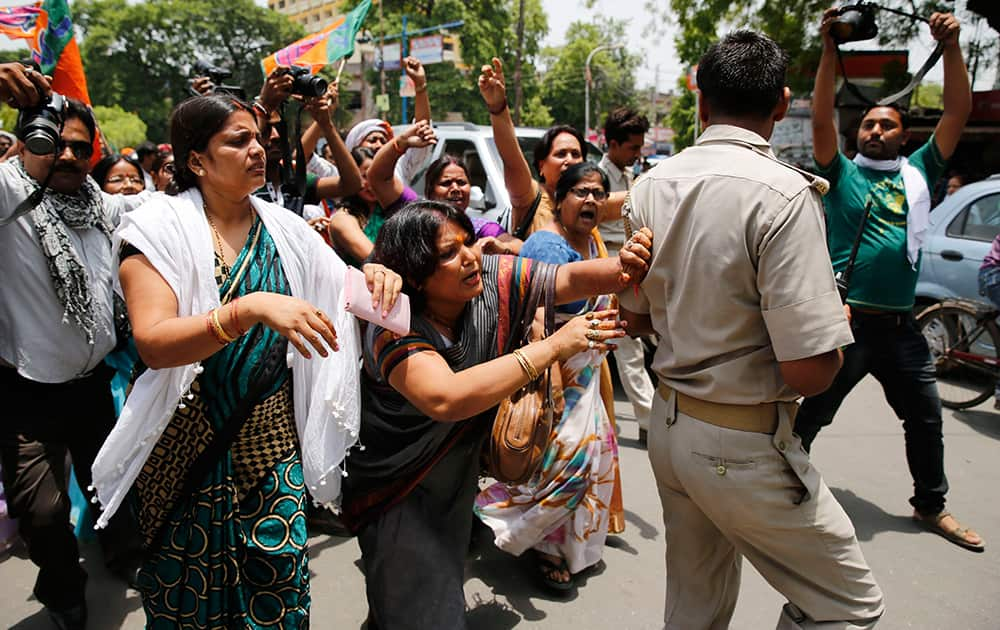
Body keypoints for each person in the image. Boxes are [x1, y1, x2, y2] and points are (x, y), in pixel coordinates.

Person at [89, 93, 402, 628]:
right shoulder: (155, 229)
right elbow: (155, 343)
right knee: (189, 600)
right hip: (184, 448)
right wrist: (247, 310)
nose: (258, 150)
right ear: (196, 160)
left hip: (271, 448)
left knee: (279, 590)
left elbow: (346, 294)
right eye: (239, 140)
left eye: (258, 138)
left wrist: (379, 276)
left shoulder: (286, 228)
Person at [618, 31, 885, 628]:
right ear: (780, 104)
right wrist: (833, 331)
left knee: (694, 601)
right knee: (849, 605)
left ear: (702, 103)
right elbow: (810, 373)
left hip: (670, 425)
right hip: (738, 443)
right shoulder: (785, 195)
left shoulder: (648, 186)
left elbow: (633, 317)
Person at [341, 200, 653, 629]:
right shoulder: (393, 324)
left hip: (455, 479)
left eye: (467, 241)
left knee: (419, 596)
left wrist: (624, 266)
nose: (469, 256)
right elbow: (446, 398)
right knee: (417, 603)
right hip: (399, 489)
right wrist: (552, 347)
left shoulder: (491, 279)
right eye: (448, 253)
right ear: (414, 273)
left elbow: (567, 278)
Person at [800, 9, 984, 554]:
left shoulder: (921, 171)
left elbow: (958, 109)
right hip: (847, 323)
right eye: (869, 125)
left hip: (902, 331)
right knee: (811, 415)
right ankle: (782, 492)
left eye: (887, 125)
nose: (875, 131)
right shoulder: (841, 171)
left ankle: (931, 505)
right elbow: (821, 116)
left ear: (905, 136)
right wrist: (830, 47)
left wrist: (950, 46)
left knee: (925, 420)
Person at [0, 62, 148, 630]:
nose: (65, 157)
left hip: (89, 387)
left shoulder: (102, 205)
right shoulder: (8, 193)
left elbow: (175, 204)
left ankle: (125, 556)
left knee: (109, 482)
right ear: (27, 140)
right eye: (51, 143)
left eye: (79, 149)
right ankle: (62, 587)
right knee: (42, 513)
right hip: (24, 392)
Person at [476, 162, 624, 593]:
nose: (591, 200)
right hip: (554, 376)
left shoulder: (593, 243)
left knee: (592, 462)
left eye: (598, 193)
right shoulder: (547, 245)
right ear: (558, 201)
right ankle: (526, 538)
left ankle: (569, 550)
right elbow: (537, 314)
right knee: (562, 467)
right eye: (580, 192)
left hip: (588, 375)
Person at [477, 57, 628, 239]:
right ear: (541, 165)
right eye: (560, 154)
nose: (569, 160)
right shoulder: (530, 198)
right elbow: (511, 159)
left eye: (576, 154)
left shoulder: (593, 201)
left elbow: (640, 196)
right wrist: (498, 108)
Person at [366, 127, 522, 255]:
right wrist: (400, 143)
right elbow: (379, 178)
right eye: (446, 183)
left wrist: (503, 248)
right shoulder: (416, 216)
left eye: (461, 182)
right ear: (430, 192)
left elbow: (520, 247)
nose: (455, 189)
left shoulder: (480, 228)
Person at [598, 106, 655, 443]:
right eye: (632, 148)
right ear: (614, 144)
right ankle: (649, 420)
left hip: (636, 270)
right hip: (610, 273)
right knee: (629, 348)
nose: (637, 154)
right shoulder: (599, 180)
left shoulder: (631, 175)